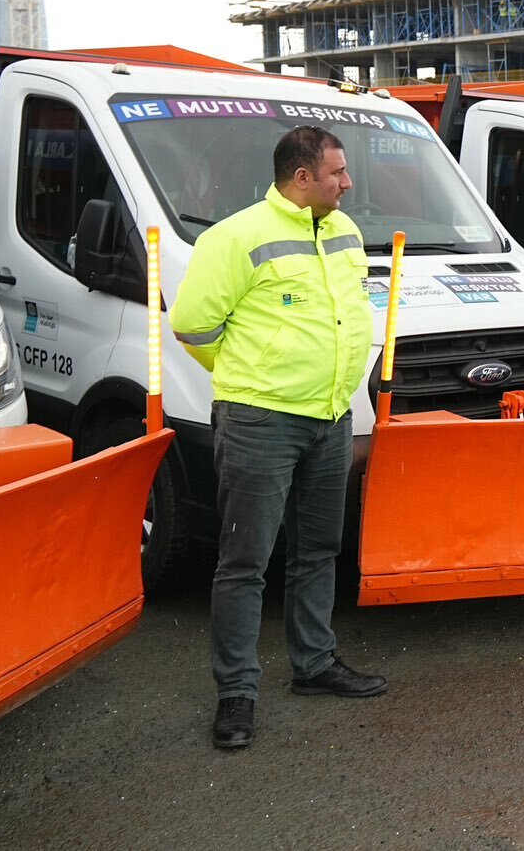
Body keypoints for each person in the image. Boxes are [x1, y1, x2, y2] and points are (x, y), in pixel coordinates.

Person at [170, 126, 385, 753]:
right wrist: (246, 376)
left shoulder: (344, 232)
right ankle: (236, 693)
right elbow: (191, 325)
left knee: (318, 548)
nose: (347, 184)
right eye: (337, 173)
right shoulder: (235, 237)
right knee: (245, 562)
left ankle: (315, 665)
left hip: (330, 416)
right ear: (301, 178)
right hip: (260, 421)